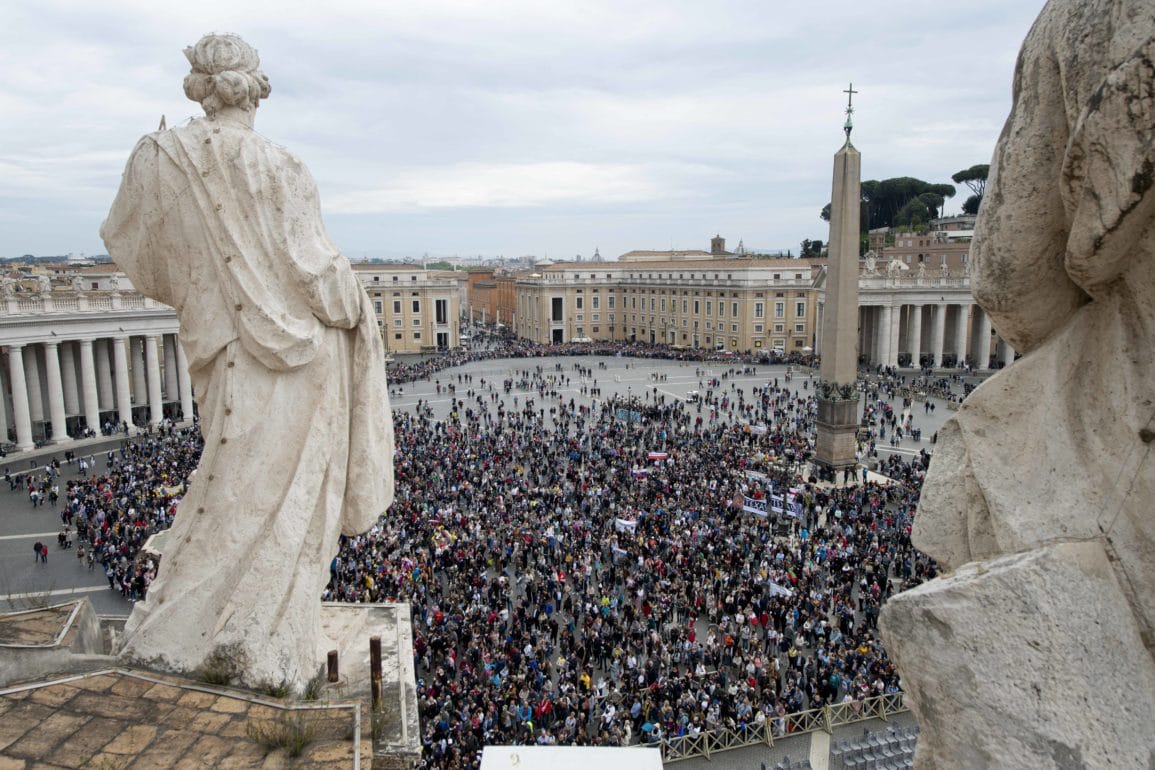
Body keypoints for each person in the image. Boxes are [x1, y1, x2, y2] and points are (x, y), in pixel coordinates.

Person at [101, 33, 394, 691]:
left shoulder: (155, 157)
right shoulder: (280, 166)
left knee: (233, 481)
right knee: (277, 500)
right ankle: (250, 639)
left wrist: (207, 284)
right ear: (255, 89)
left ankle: (222, 632)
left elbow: (137, 254)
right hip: (301, 363)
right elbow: (317, 275)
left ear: (198, 87)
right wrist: (358, 306)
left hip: (222, 345)